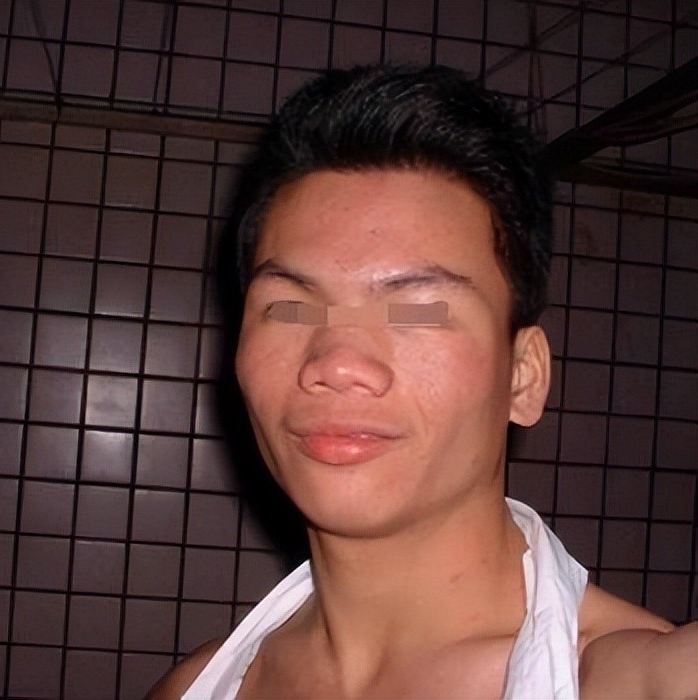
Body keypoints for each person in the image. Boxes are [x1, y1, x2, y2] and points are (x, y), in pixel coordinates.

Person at [148, 64, 696, 699]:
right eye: (289, 308)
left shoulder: (623, 679)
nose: (336, 361)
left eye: (417, 311)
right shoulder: (197, 687)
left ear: (523, 376)